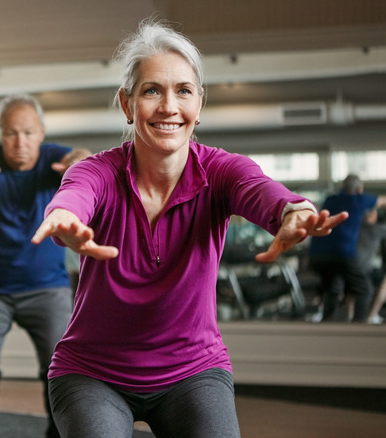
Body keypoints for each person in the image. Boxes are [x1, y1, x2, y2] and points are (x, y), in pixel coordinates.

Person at [30, 19, 346, 438]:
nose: (168, 106)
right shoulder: (98, 171)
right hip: (93, 372)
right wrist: (65, 218)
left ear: (199, 103)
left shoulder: (221, 170)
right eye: (151, 90)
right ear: (127, 104)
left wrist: (294, 211)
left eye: (183, 90)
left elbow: (261, 190)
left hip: (193, 370)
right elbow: (76, 194)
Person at [0, 94, 90, 438]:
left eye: (28, 133)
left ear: (41, 132)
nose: (20, 143)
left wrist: (77, 161)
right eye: (11, 133)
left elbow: (83, 158)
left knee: (60, 367)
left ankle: (56, 433)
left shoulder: (52, 158)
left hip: (45, 287)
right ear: (1, 133)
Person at [308, 174, 386, 322]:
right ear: (359, 189)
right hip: (341, 254)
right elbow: (382, 201)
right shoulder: (358, 199)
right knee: (364, 289)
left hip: (316, 254)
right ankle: (359, 327)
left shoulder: (330, 199)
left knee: (332, 288)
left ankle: (327, 323)